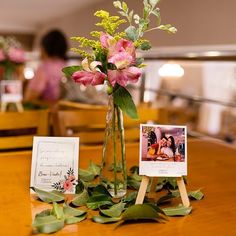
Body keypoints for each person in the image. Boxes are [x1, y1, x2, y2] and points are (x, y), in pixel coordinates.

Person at [24, 29, 68, 105]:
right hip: (76, 113)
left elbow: (30, 98)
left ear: (44, 48)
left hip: (51, 114)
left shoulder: (45, 68)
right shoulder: (70, 67)